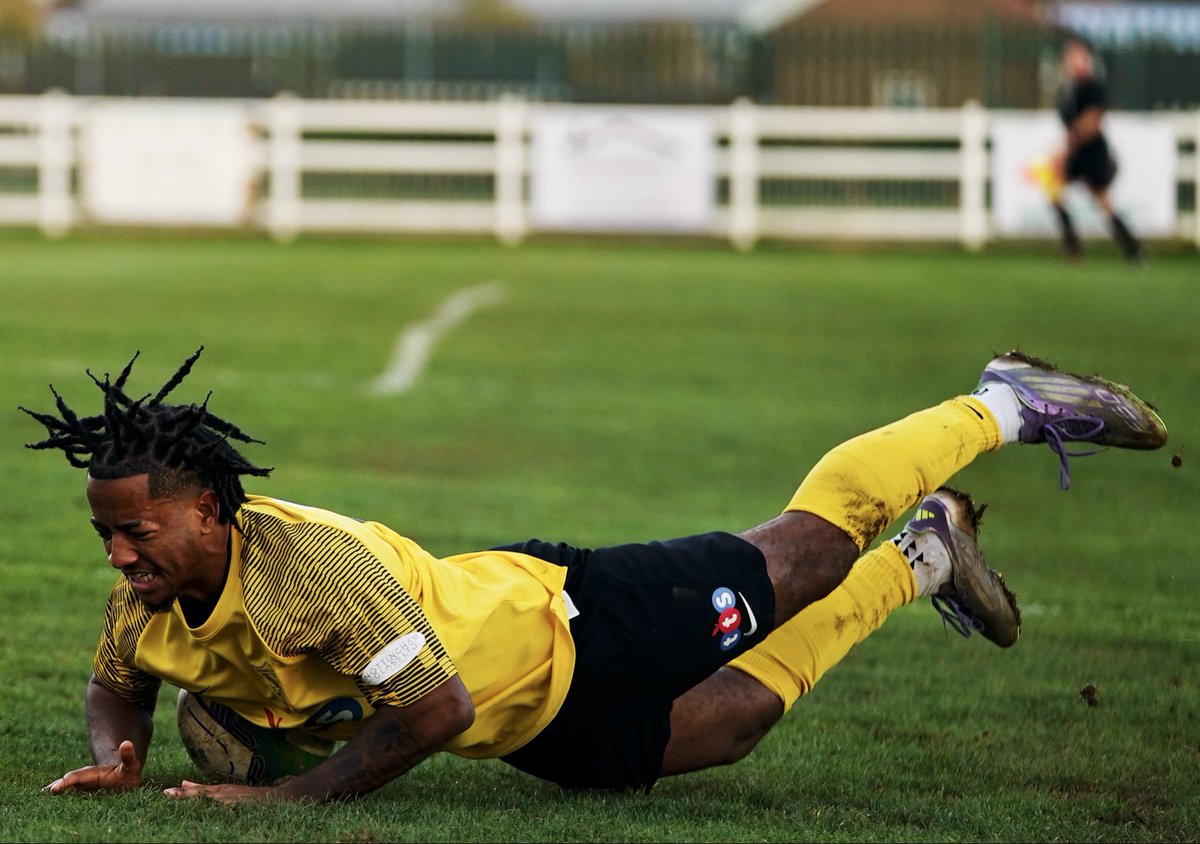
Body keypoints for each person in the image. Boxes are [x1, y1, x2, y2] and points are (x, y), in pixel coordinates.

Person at [24, 345, 1166, 805]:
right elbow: (115, 681)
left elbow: (434, 711)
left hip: (571, 620)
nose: (121, 559)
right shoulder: (146, 600)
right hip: (531, 720)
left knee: (806, 553)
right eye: (108, 539)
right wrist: (112, 754)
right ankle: (925, 555)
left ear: (208, 510)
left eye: (139, 532)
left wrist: (275, 799)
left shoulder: (307, 573)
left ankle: (1005, 402)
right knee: (725, 729)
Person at [1040, 37, 1143, 262]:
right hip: (1076, 151)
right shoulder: (1067, 91)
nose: (1072, 62)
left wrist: (1068, 146)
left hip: (1092, 151)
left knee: (1102, 200)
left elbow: (1092, 123)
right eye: (1069, 57)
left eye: (1077, 56)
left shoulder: (1093, 87)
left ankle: (1133, 248)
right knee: (1054, 190)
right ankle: (1072, 245)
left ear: (1086, 60)